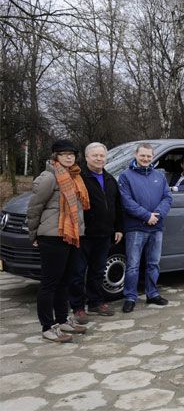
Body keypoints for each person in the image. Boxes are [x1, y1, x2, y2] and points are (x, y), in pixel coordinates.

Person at [27, 139, 90, 342]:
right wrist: (33, 234)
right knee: (50, 283)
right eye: (64, 154)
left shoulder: (74, 176)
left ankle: (62, 319)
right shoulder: (48, 177)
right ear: (56, 156)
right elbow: (34, 208)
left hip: (71, 236)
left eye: (71, 154)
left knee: (65, 281)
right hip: (52, 237)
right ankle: (48, 326)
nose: (69, 157)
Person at [68, 142, 122, 324]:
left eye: (102, 156)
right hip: (83, 234)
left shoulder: (110, 179)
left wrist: (119, 228)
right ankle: (77, 307)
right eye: (95, 156)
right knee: (78, 272)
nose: (99, 159)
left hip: (105, 233)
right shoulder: (78, 178)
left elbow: (117, 206)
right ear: (86, 157)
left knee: (97, 271)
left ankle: (96, 302)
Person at [119, 143, 173, 313]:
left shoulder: (159, 175)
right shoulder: (126, 176)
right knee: (133, 265)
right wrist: (146, 216)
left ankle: (152, 293)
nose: (146, 159)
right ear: (136, 155)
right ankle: (130, 297)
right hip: (136, 227)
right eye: (142, 155)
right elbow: (126, 201)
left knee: (153, 263)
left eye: (149, 156)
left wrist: (157, 214)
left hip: (156, 227)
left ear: (152, 156)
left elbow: (167, 197)